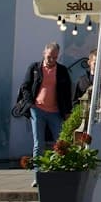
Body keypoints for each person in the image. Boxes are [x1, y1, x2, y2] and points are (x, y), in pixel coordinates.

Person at [20, 42, 74, 184]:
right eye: (50, 57)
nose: (51, 60)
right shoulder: (35, 68)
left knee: (60, 142)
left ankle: (59, 170)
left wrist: (68, 111)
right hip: (38, 109)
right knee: (39, 143)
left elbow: (67, 92)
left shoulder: (62, 70)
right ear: (44, 53)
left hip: (56, 111)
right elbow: (25, 86)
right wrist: (30, 103)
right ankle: (38, 175)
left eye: (55, 58)